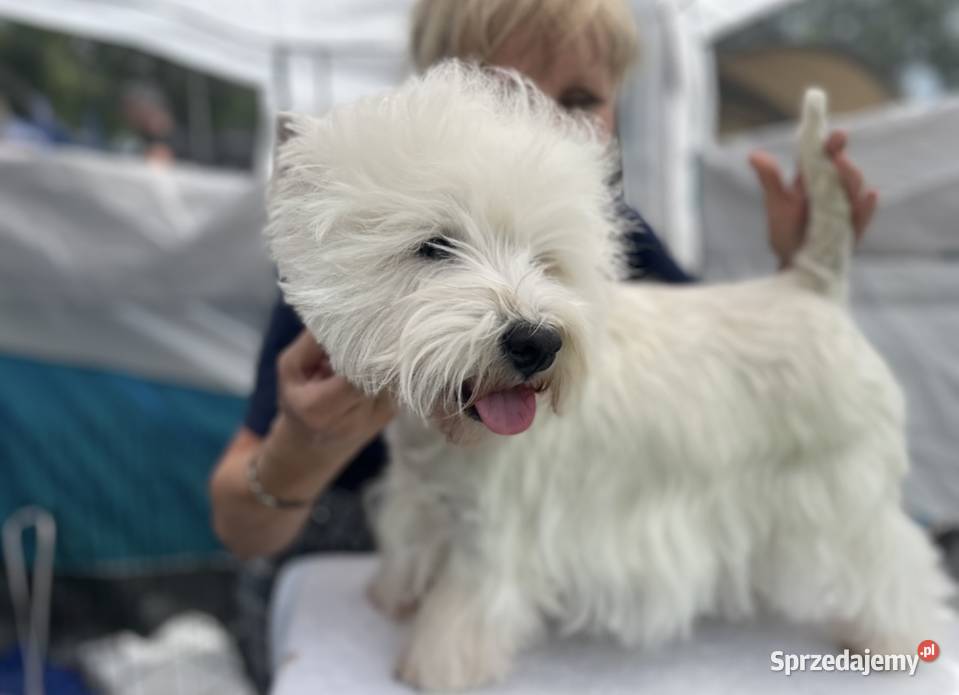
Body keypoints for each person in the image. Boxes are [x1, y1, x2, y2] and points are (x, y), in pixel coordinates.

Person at [209, 0, 877, 686]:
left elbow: (722, 340)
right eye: (503, 91)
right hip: (311, 573)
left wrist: (802, 269)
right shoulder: (340, 271)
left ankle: (894, 622)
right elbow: (236, 523)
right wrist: (300, 444)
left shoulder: (615, 234)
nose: (539, 126)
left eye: (580, 98)